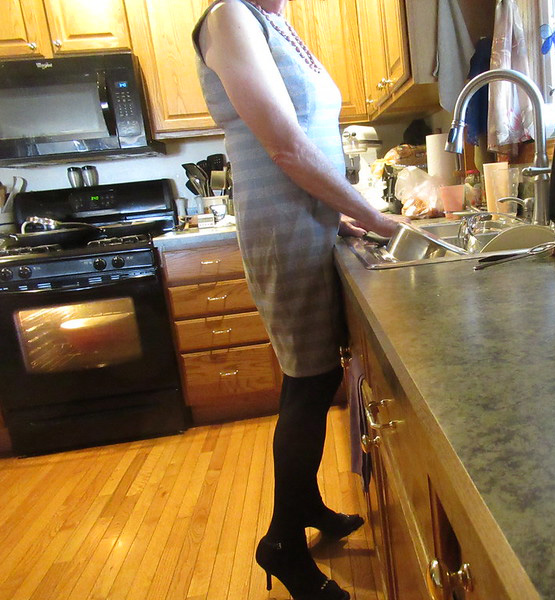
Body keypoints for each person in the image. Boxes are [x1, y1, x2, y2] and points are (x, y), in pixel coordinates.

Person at [192, 1, 405, 598]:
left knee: (311, 380)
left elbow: (308, 140)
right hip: (283, 227)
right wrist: (375, 216)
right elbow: (285, 147)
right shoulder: (229, 15)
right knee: (308, 382)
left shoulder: (273, 21)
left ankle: (306, 504)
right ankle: (281, 543)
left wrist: (342, 216)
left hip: (313, 224)